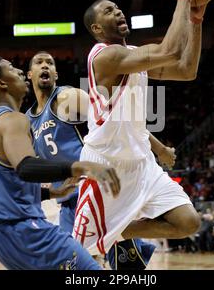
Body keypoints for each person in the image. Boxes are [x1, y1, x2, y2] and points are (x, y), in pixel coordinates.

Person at [73, 0, 208, 256]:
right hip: (107, 166)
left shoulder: (133, 56)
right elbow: (169, 50)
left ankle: (118, 231)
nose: (118, 11)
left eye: (118, 7)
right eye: (109, 10)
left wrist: (196, 21)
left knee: (188, 222)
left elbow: (186, 70)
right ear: (96, 28)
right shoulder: (103, 57)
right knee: (80, 258)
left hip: (142, 163)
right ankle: (102, 236)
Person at [26, 51, 176, 269]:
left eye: (50, 62)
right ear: (30, 74)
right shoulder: (29, 120)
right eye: (39, 62)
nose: (45, 66)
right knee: (72, 267)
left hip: (98, 193)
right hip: (69, 204)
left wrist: (159, 149)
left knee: (127, 269)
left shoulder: (66, 98)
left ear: (56, 74)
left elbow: (117, 119)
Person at [0, 55, 120, 270]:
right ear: (1, 83)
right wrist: (79, 166)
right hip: (21, 227)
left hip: (1, 232)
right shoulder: (14, 120)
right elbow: (26, 168)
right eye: (12, 69)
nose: (20, 72)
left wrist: (52, 194)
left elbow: (8, 183)